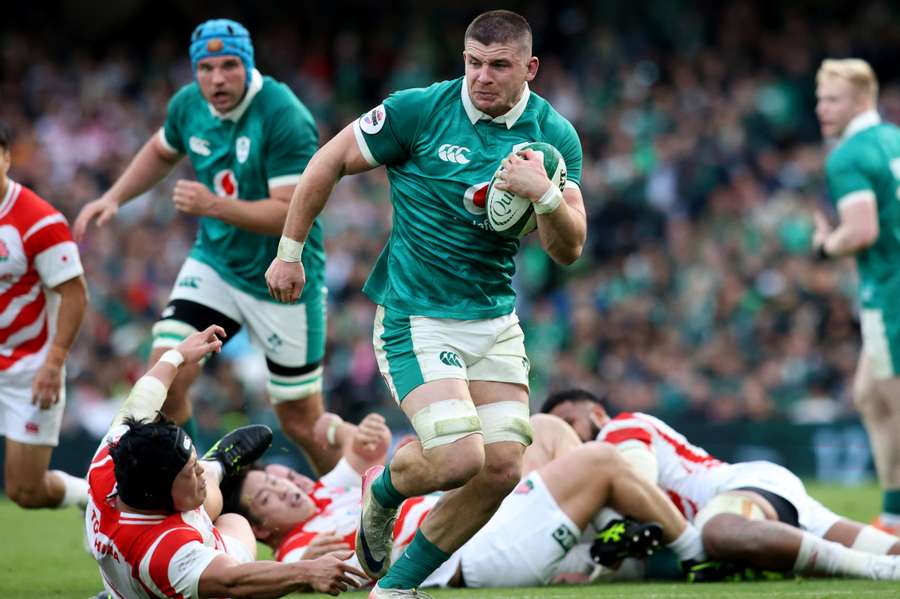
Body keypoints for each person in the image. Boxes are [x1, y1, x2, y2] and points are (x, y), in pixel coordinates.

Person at [265, 10, 587, 596]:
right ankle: (382, 489)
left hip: (494, 319)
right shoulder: (419, 110)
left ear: (530, 68)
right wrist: (288, 252)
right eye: (473, 62)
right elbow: (329, 159)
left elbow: (569, 247)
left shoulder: (553, 137)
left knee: (502, 469)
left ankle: (396, 587)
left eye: (499, 65)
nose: (482, 77)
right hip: (417, 317)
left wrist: (545, 196)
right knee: (460, 458)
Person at [72, 19, 338, 474]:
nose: (217, 79)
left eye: (229, 65)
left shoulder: (282, 113)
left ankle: (350, 504)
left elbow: (289, 211)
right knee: (166, 376)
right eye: (206, 67)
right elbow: (160, 150)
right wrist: (114, 196)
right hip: (215, 265)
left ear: (248, 64)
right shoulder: (188, 105)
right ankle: (190, 490)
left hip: (283, 275)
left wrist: (214, 204)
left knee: (300, 419)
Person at [224, 413, 707, 590]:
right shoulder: (300, 548)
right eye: (270, 495)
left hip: (480, 514)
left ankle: (608, 535)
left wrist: (353, 429)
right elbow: (332, 574)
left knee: (544, 428)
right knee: (599, 460)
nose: (288, 486)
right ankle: (697, 556)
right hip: (467, 551)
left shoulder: (327, 491)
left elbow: (359, 448)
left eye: (283, 475)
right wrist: (305, 573)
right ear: (263, 528)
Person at [85, 324, 365, 598]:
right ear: (160, 497)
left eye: (195, 464)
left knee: (205, 496)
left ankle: (216, 465)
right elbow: (234, 581)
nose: (196, 472)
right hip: (163, 579)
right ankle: (216, 467)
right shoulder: (167, 550)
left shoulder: (111, 458)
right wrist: (307, 571)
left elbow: (141, 399)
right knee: (234, 522)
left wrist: (177, 355)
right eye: (190, 473)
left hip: (128, 572)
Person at [542, 389, 900, 581]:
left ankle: (876, 572)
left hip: (739, 490)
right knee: (890, 548)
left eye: (569, 420)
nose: (569, 435)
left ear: (598, 414)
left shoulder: (617, 430)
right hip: (758, 497)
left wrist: (599, 565)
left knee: (719, 531)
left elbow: (638, 487)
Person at [813, 58, 900, 535]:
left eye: (833, 99)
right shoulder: (893, 138)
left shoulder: (848, 155)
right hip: (888, 285)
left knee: (895, 402)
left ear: (862, 99)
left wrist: (827, 243)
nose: (822, 109)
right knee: (869, 394)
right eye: (820, 99)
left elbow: (862, 231)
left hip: (890, 291)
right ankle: (892, 515)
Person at [0, 121, 89, 510]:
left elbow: (74, 294)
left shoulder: (39, 221)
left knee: (26, 491)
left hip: (28, 369)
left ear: (6, 158)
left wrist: (53, 363)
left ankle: (91, 497)